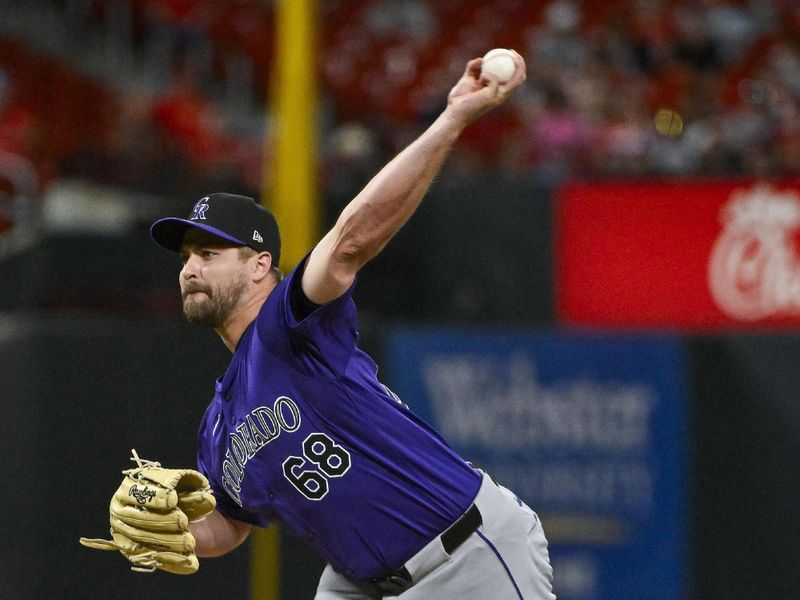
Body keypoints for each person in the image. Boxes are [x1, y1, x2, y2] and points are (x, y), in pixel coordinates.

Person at [148, 51, 555, 599]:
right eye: (186, 257)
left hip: (464, 556)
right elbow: (231, 524)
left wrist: (452, 117)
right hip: (360, 585)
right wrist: (172, 534)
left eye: (210, 251)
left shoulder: (289, 324)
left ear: (260, 264)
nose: (191, 267)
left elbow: (349, 242)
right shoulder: (218, 425)